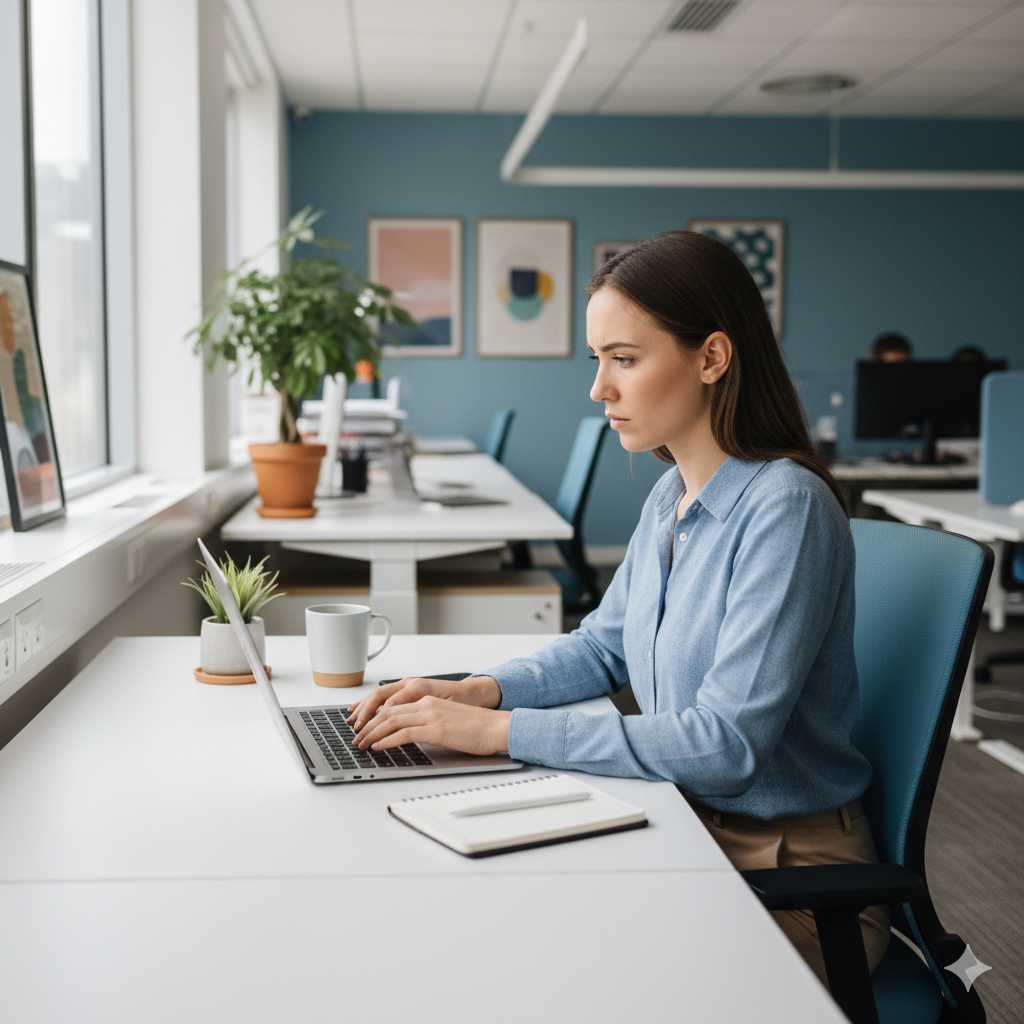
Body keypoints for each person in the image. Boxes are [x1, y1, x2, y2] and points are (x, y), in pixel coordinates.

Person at [347, 230, 890, 982]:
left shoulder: (785, 509)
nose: (599, 388)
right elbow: (604, 648)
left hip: (789, 877)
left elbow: (727, 747)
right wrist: (476, 690)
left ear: (711, 358)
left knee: (554, 965)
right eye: (597, 360)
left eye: (624, 359)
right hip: (690, 827)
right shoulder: (671, 493)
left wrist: (499, 731)